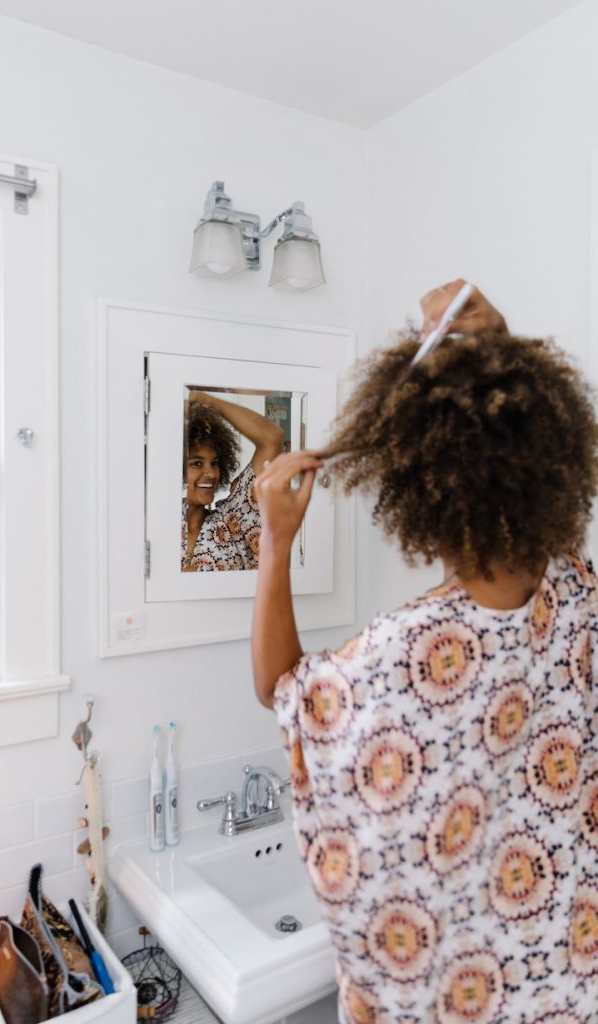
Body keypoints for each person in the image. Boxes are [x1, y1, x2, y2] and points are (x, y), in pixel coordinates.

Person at [252, 281, 598, 1023]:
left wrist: (276, 542)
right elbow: (513, 433)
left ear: (420, 491)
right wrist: (497, 342)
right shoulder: (572, 587)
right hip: (564, 975)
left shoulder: (412, 648)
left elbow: (283, 688)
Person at [183, 390, 283, 571]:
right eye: (197, 463)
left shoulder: (232, 521)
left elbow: (272, 438)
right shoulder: (153, 527)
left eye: (214, 463)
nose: (212, 474)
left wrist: (203, 400)